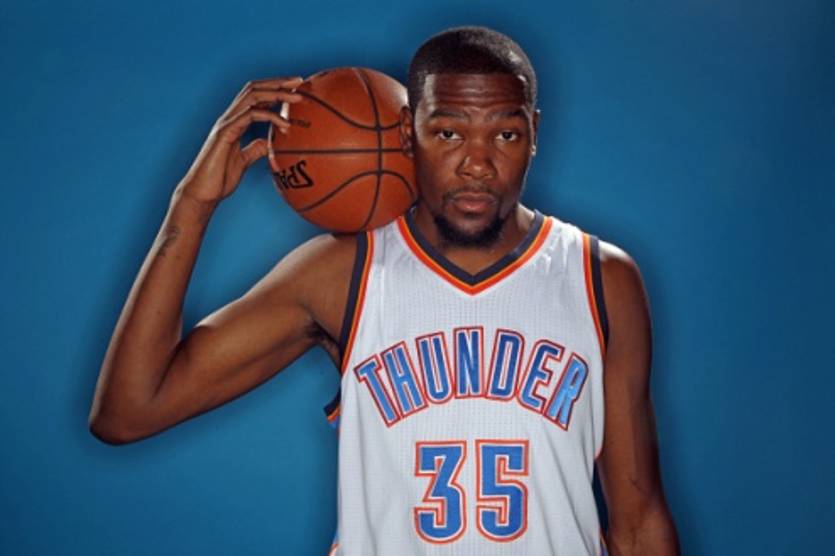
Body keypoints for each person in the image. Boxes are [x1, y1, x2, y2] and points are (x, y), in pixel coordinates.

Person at [89, 26, 680, 556]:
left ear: (534, 135)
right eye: (447, 132)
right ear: (406, 132)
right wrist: (191, 204)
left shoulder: (600, 277)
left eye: (505, 134)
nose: (477, 164)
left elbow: (638, 522)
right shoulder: (342, 272)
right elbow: (128, 411)